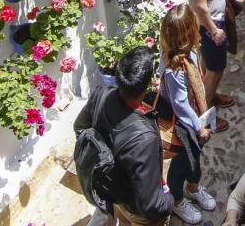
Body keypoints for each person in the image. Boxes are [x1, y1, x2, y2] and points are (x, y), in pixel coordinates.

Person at [72, 46, 174, 225]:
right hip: (136, 209)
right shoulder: (144, 137)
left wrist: (107, 169)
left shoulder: (101, 95)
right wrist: (169, 200)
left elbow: (80, 128)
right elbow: (150, 204)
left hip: (115, 196)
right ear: (150, 82)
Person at [158, 5, 216, 225]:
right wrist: (199, 126)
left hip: (192, 116)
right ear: (189, 31)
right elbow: (180, 105)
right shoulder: (175, 68)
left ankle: (193, 188)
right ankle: (178, 200)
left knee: (195, 157)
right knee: (182, 163)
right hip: (181, 122)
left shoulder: (187, 52)